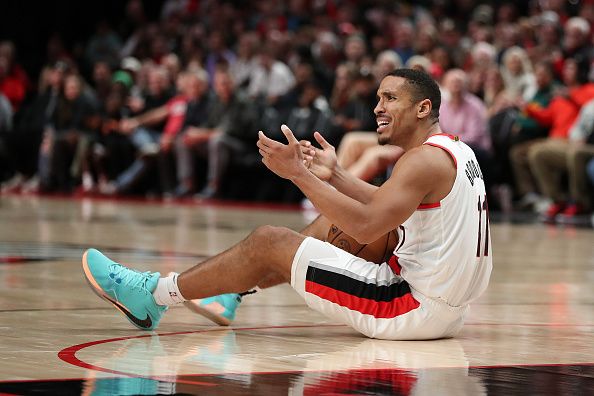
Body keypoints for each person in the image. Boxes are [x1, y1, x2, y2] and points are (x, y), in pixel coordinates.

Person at [81, 69, 492, 341]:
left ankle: (153, 296)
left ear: (422, 108)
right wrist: (336, 175)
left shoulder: (420, 160)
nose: (377, 107)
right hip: (449, 311)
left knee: (269, 241)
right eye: (378, 98)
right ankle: (231, 294)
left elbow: (368, 226)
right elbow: (385, 204)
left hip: (410, 308)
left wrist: (299, 174)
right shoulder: (455, 151)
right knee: (328, 227)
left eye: (390, 99)